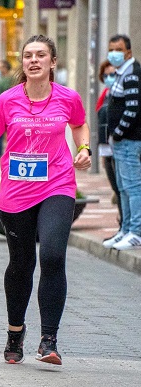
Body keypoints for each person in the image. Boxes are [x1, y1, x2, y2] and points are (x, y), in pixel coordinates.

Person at [0, 35, 92, 366]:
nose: (34, 60)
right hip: (15, 194)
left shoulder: (68, 98)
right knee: (21, 264)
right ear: (24, 64)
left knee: (54, 256)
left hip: (57, 185)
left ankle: (49, 340)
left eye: (41, 55)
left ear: (52, 62)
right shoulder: (7, 101)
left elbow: (79, 124)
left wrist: (83, 148)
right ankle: (15, 333)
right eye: (28, 55)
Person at [102, 34, 141, 250]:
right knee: (123, 187)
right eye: (111, 49)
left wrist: (118, 132)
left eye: (118, 49)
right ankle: (125, 229)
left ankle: (136, 231)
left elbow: (133, 108)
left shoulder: (132, 74)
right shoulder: (120, 73)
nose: (113, 53)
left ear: (128, 52)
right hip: (119, 141)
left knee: (132, 186)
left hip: (129, 139)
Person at [96, 60, 122, 230]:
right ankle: (123, 223)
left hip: (123, 149)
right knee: (116, 188)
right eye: (106, 75)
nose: (109, 78)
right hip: (108, 150)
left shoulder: (124, 95)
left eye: (113, 75)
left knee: (125, 189)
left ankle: (128, 225)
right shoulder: (104, 95)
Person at [0, 60, 15, 162]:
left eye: (0, 67)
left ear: (5, 68)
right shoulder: (14, 79)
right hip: (14, 110)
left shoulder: (1, 81)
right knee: (11, 134)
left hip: (3, 111)